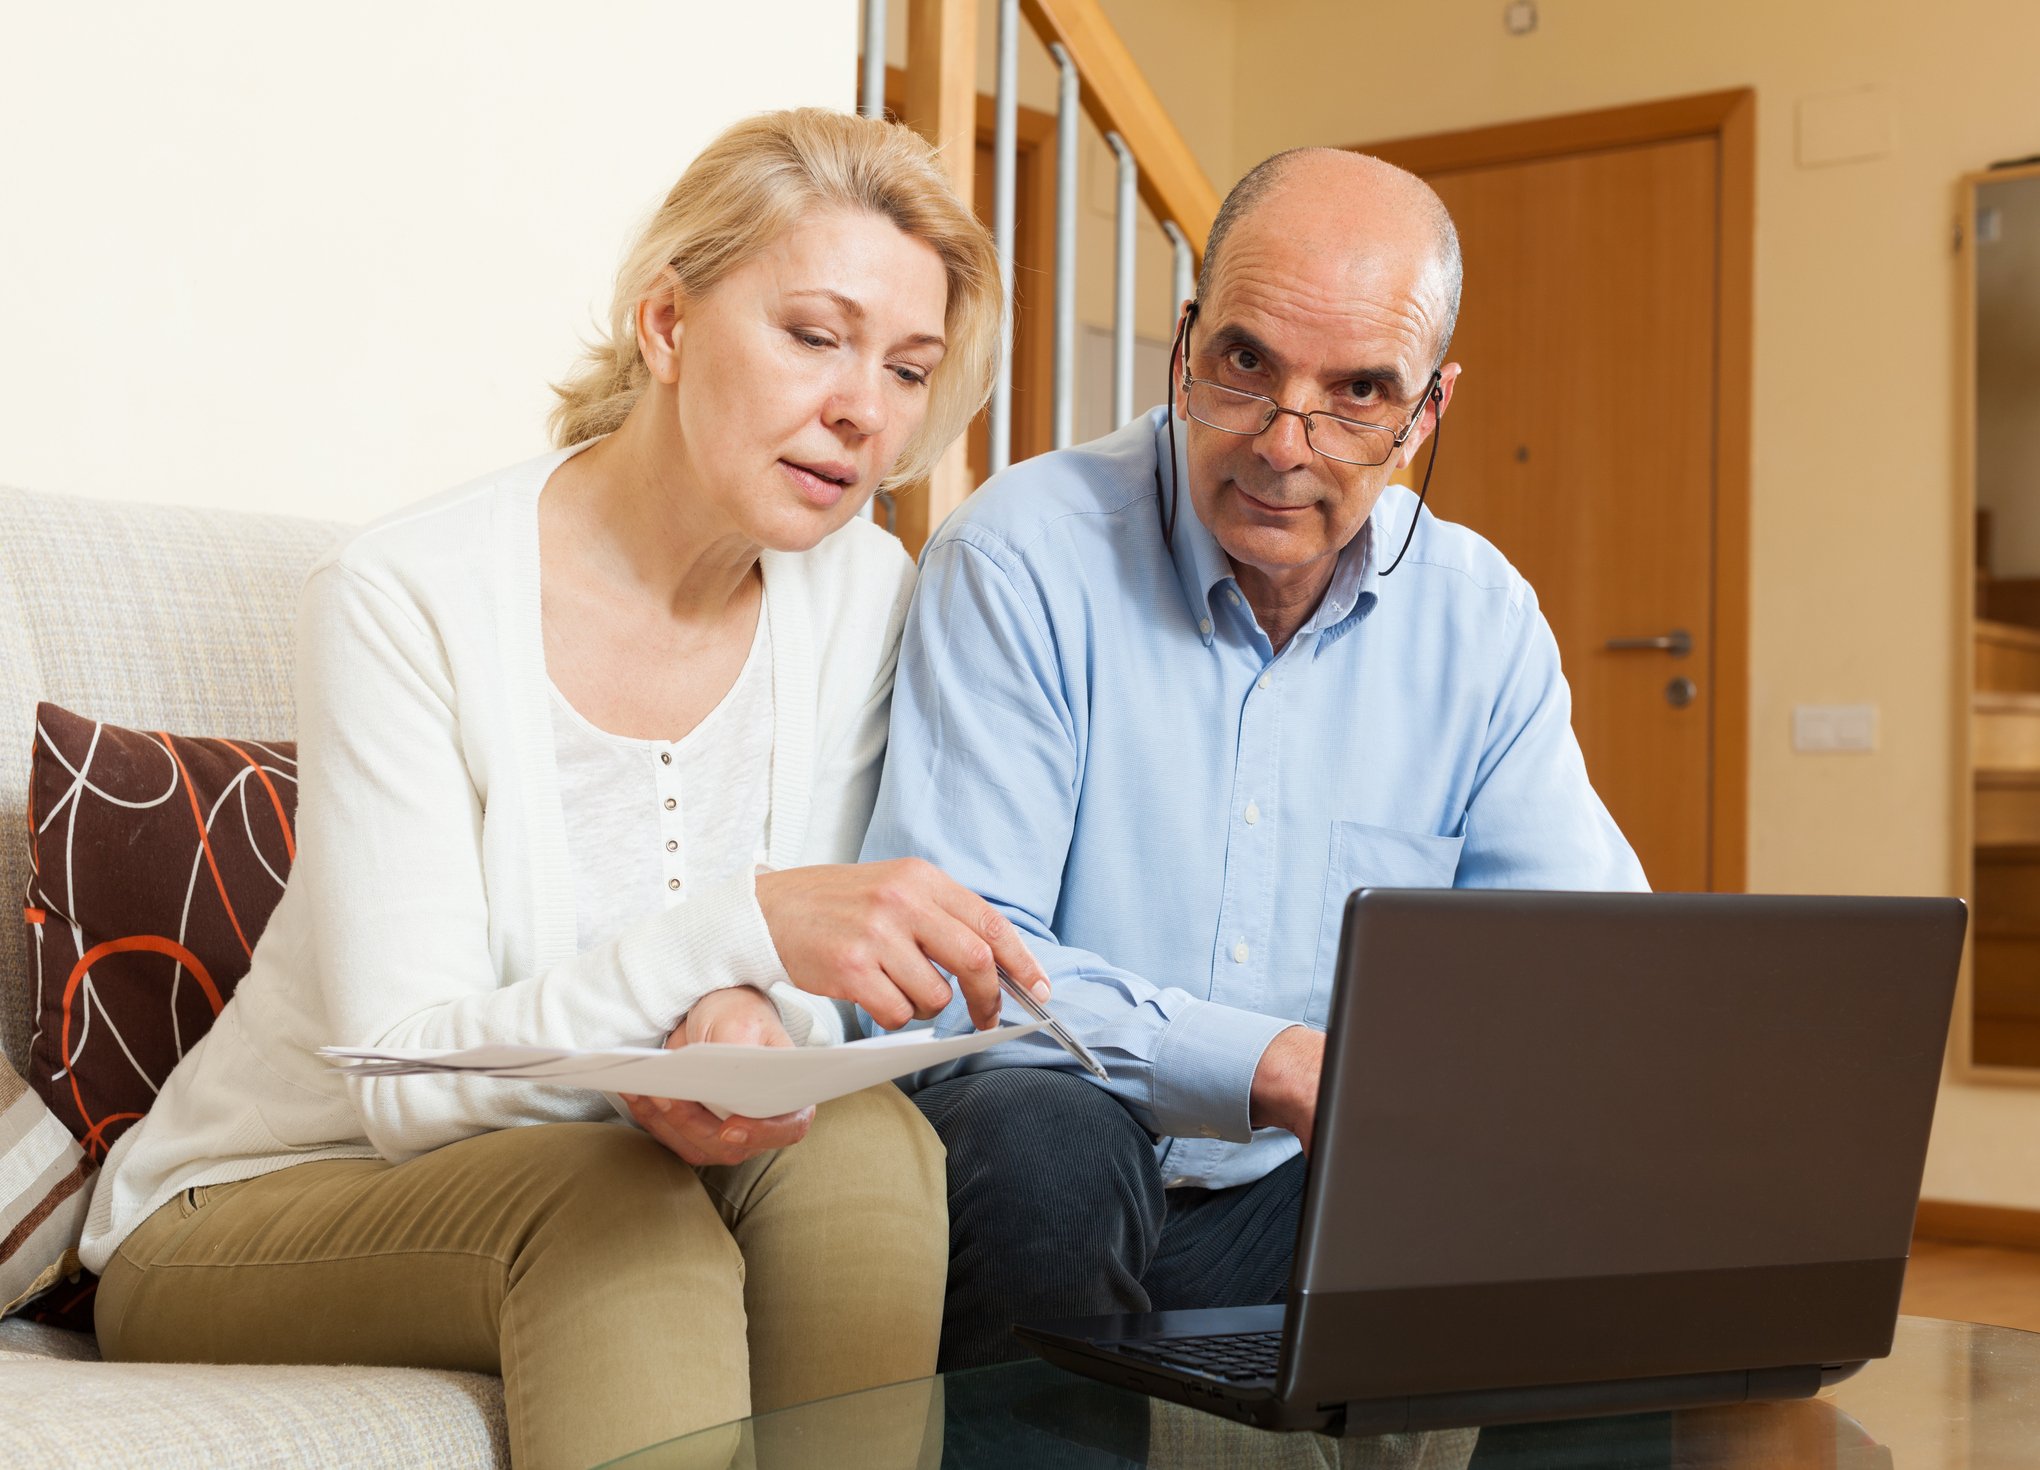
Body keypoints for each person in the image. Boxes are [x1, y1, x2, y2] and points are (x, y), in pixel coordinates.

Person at [79, 108, 1049, 1469]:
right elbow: (409, 1078)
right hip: (263, 1197)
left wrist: (748, 1007)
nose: (862, 409)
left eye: (907, 367)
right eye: (814, 335)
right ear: (665, 323)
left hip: (613, 1157)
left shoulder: (858, 593)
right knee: (617, 1220)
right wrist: (737, 939)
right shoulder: (406, 595)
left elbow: (792, 968)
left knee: (875, 1150)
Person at [860, 146, 1649, 1369]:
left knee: (1609, 1190)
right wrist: (1265, 1062)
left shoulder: (1478, 617)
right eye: (1246, 366)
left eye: (1357, 396)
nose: (1286, 443)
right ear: (1185, 350)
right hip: (1060, 1143)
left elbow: (1580, 963)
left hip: (1303, 1199)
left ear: (1427, 410)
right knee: (1046, 1144)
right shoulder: (1024, 556)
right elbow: (961, 966)